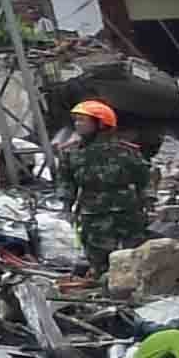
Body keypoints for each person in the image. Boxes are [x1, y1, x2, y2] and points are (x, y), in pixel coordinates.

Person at [58, 103, 157, 287]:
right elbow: (66, 182)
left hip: (127, 212)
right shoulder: (71, 153)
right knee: (98, 258)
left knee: (133, 255)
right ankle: (104, 290)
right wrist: (66, 206)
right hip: (93, 213)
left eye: (82, 120)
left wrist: (149, 202)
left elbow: (144, 178)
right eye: (76, 120)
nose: (78, 124)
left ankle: (135, 289)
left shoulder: (126, 151)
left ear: (100, 123)